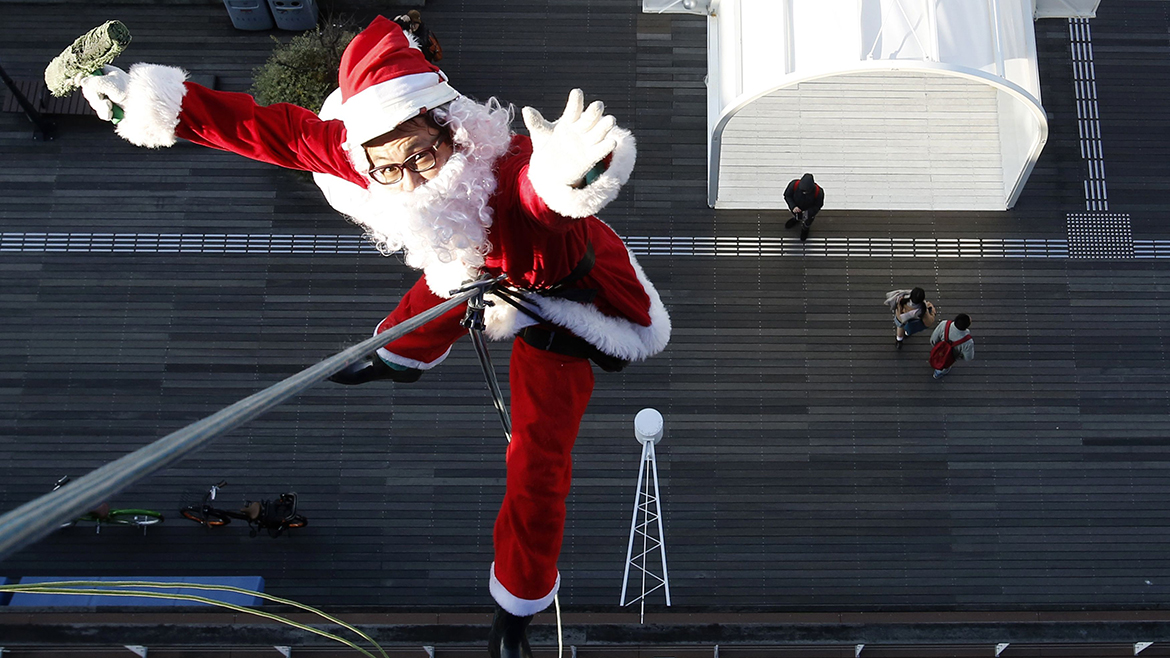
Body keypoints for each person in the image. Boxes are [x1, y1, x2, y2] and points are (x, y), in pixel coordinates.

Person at [79, 16, 669, 658]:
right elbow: (261, 129)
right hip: (476, 270)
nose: (412, 181)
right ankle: (400, 355)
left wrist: (574, 175)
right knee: (444, 282)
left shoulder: (506, 174)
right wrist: (139, 97)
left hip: (568, 302)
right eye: (389, 170)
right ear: (363, 159)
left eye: (423, 155)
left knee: (537, 466)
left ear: (453, 129)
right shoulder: (361, 155)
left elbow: (542, 194)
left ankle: (514, 615)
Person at [929, 314, 974, 379]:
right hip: (950, 357)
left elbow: (933, 340)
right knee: (944, 366)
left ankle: (935, 363)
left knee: (936, 357)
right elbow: (968, 358)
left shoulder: (944, 324)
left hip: (939, 351)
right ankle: (937, 374)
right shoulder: (968, 342)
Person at [783, 172, 824, 241]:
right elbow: (787, 195)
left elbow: (818, 205)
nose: (804, 192)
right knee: (797, 216)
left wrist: (808, 212)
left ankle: (805, 229)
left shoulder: (819, 192)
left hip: (809, 212)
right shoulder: (793, 185)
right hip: (797, 208)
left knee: (808, 221)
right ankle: (796, 219)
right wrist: (793, 206)